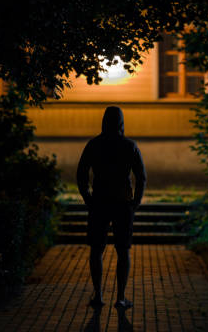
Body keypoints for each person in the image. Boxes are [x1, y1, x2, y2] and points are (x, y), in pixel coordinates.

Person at [77, 106, 146, 309]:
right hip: (123, 202)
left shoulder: (94, 145)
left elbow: (82, 173)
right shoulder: (129, 146)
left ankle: (98, 295)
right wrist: (136, 202)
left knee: (96, 249)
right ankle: (121, 297)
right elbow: (141, 176)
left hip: (99, 201)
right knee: (123, 250)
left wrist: (87, 197)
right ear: (121, 122)